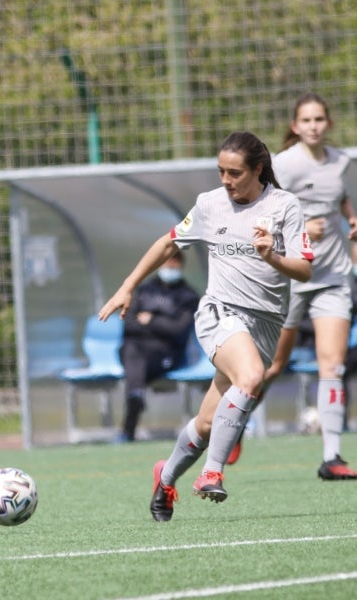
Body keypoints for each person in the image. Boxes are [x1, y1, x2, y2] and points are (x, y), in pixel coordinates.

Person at [98, 131, 313, 522]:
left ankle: (165, 478)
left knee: (209, 423)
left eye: (234, 173)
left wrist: (272, 256)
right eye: (220, 171)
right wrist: (127, 288)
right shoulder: (209, 204)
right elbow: (167, 244)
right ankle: (211, 473)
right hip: (220, 313)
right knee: (249, 378)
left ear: (258, 169)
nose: (226, 180)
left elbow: (303, 269)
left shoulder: (284, 205)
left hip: (265, 324)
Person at [237, 93, 356, 479]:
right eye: (306, 120)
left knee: (332, 364)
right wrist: (302, 228)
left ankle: (332, 456)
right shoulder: (283, 166)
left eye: (320, 118)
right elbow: (258, 215)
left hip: (333, 277)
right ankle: (234, 423)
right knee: (271, 367)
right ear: (295, 126)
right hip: (288, 278)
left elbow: (344, 204)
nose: (314, 126)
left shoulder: (343, 163)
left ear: (328, 123)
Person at [115, 250, 199, 442]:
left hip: (166, 353)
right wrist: (161, 324)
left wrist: (150, 320)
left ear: (180, 266)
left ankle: (130, 419)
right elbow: (129, 323)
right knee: (132, 350)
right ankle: (135, 395)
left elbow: (178, 330)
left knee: (135, 361)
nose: (169, 268)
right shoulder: (144, 289)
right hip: (135, 347)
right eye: (166, 264)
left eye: (173, 265)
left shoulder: (188, 296)